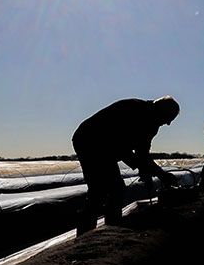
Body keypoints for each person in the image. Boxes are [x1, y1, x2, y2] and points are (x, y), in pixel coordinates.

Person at [72, 96, 180, 233]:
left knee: (114, 189)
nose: (168, 124)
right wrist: (150, 170)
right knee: (101, 190)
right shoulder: (132, 109)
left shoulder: (153, 125)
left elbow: (143, 154)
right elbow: (122, 147)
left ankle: (111, 228)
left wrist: (154, 173)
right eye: (168, 118)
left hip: (107, 148)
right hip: (89, 140)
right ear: (160, 111)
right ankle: (90, 236)